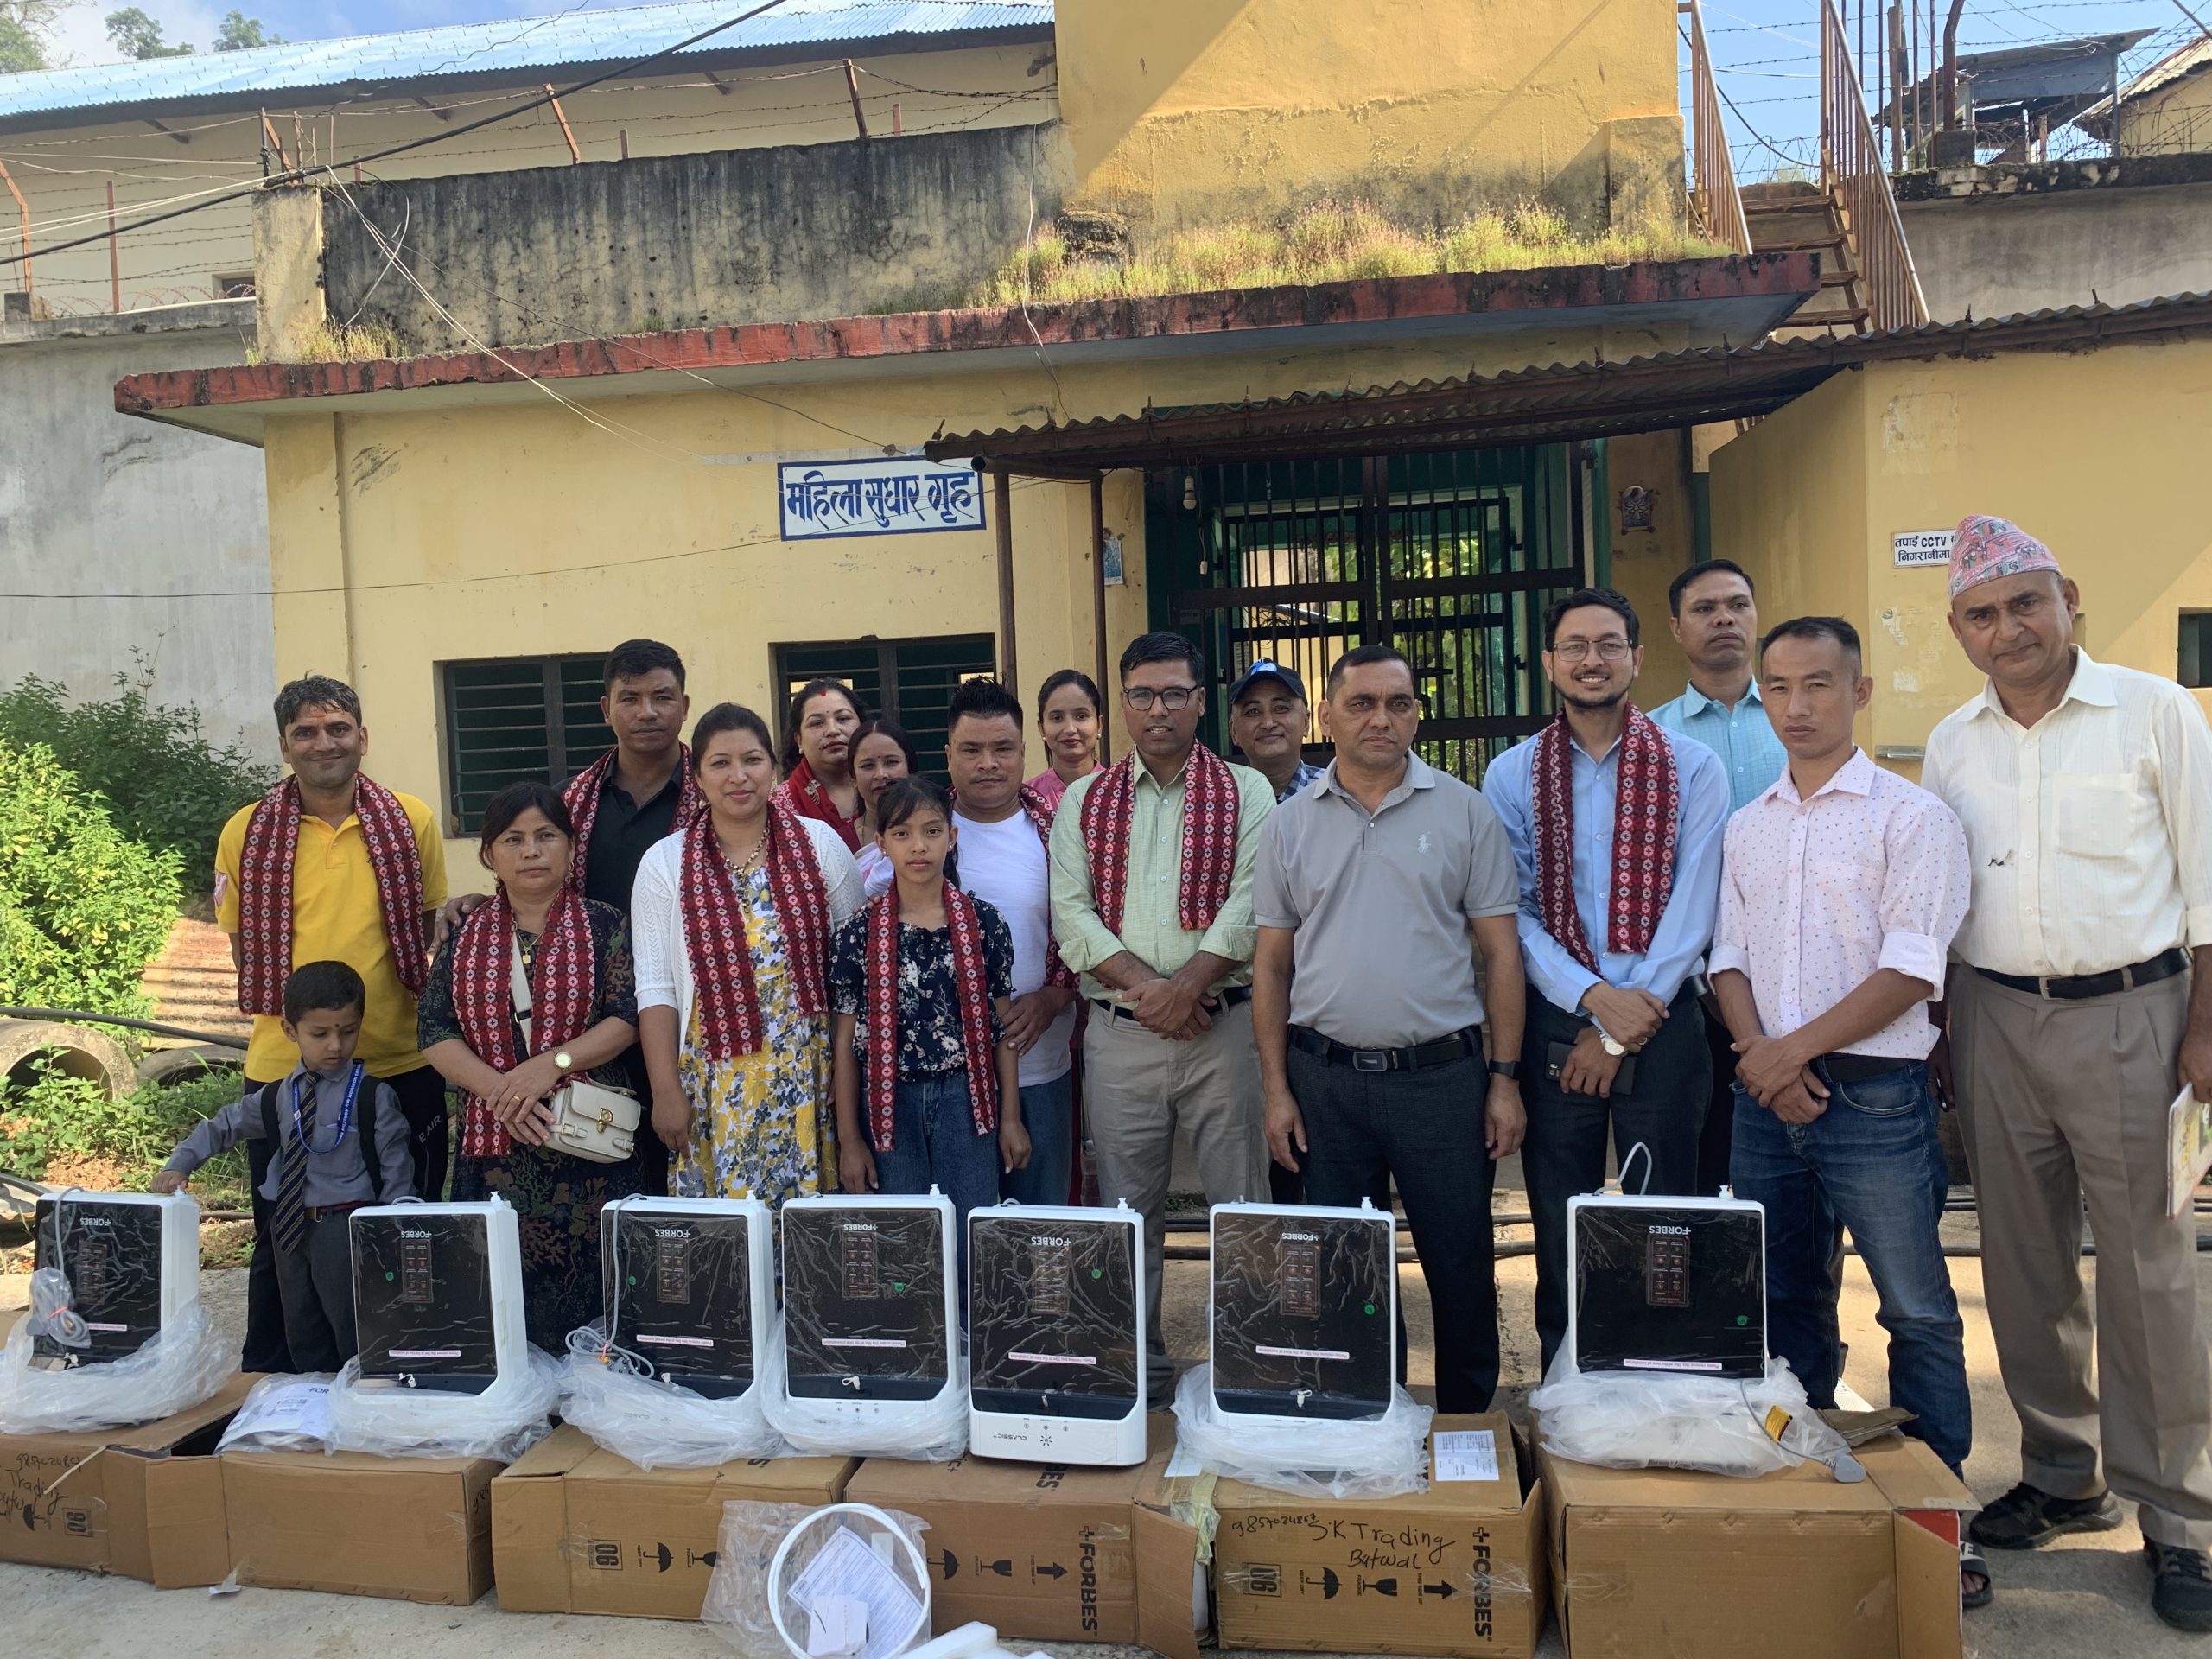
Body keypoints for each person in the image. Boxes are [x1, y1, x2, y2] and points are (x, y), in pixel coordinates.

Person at [1921, 517, 2212, 1631]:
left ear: (2068, 597)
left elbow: (2205, 881)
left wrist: (2204, 1034)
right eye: (1983, 616)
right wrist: (1948, 1030)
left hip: (2139, 1014)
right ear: (1959, 632)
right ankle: (2061, 1473)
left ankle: (2179, 1519)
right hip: (1995, 1016)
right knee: (2024, 1258)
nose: (2010, 631)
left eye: (2025, 604)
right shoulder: (1952, 741)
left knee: (2149, 1268)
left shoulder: (2152, 711)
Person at [1707, 616, 1982, 1605]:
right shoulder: (1750, 823)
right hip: (1766, 1096)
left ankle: (1939, 1514)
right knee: (1780, 1305)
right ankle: (1813, 1491)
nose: (1796, 705)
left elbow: (1912, 967)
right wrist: (1760, 1058)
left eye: (1818, 685)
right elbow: (1726, 957)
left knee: (1913, 1306)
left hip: (1872, 1095)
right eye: (1777, 688)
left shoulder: (1911, 819)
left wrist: (1793, 1051)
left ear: (1858, 694)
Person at [1253, 645, 1527, 1413]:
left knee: (1460, 1262)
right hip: (1325, 1081)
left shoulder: (1464, 811)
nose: (1381, 719)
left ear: (1415, 714)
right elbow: (1271, 965)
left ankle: (1470, 1427)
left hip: (1441, 1081)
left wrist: (1503, 1081)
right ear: (1328, 717)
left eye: (1398, 704)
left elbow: (1501, 954)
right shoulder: (1289, 826)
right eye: (1362, 703)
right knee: (1346, 1272)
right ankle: (1367, 1420)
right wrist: (1277, 1089)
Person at [1482, 588, 1728, 1373]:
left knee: (1666, 1218)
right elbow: (1511, 912)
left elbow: (1698, 905)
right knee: (1561, 1217)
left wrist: (1622, 1026)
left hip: (1665, 1023)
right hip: (1562, 1026)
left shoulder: (1695, 767)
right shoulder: (1512, 774)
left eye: (1609, 645)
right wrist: (1593, 1002)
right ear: (1549, 662)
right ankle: (1567, 1377)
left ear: (1637, 657)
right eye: (1575, 646)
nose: (1593, 661)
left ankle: (1662, 1370)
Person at [1050, 631, 1276, 1400]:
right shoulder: (1085, 800)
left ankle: (1245, 1368)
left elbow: (1252, 903)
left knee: (1239, 1208)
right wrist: (1155, 993)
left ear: (1201, 701)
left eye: (1175, 693)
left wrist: (1188, 988)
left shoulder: (1247, 792)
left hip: (1224, 1034)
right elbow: (1072, 916)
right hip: (1122, 1039)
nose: (1158, 709)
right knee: (1127, 1213)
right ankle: (1135, 1373)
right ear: (1123, 702)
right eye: (1142, 694)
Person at [216, 673, 448, 1374]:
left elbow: (422, 933)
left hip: (396, 1063)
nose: (325, 743)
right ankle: (281, 1383)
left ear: (363, 737)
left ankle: (408, 1365)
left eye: (338, 728)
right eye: (307, 732)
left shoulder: (411, 820)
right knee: (282, 1235)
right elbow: (243, 948)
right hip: (285, 1076)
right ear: (285, 746)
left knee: (403, 1227)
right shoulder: (246, 830)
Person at [438, 638, 702, 1193]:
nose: (647, 712)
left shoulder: (716, 799)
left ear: (685, 704)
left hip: (696, 1027)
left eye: (662, 696)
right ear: (606, 709)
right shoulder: (570, 802)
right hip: (590, 1044)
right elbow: (529, 889)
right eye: (630, 698)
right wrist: (481, 904)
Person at [417, 782, 645, 1352]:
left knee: (602, 1291)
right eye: (513, 839)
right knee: (502, 1293)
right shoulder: (464, 933)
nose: (532, 851)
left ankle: (595, 1401)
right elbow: (434, 1031)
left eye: (546, 836)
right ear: (490, 854)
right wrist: (502, 1092)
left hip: (591, 1150)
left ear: (570, 846)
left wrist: (552, 1065)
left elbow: (627, 1016)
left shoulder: (605, 925)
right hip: (497, 1155)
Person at [634, 703, 865, 1205]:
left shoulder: (821, 845)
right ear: (696, 776)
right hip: (710, 1084)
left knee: (806, 1236)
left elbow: (853, 981)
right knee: (727, 1247)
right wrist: (665, 1090)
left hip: (809, 1079)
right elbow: (656, 987)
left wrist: (849, 1107)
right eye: (720, 763)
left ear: (774, 768)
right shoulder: (664, 863)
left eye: (752, 760)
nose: (738, 776)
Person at [154, 961, 415, 1372]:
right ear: (290, 1031)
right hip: (288, 1228)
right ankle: (311, 1402)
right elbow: (223, 1126)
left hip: (344, 1228)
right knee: (301, 1326)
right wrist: (181, 1162)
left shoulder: (372, 1097)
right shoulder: (277, 1097)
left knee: (354, 1329)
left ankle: (364, 1401)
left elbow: (397, 1170)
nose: (335, 1046)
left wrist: (392, 1233)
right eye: (320, 1033)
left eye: (348, 1031)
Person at [830, 777, 1027, 1267]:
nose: (918, 846)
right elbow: (847, 1044)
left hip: (968, 1100)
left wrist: (1010, 1117)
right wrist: (850, 1139)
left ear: (952, 837)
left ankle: (967, 1337)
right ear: (881, 844)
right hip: (890, 1103)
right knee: (903, 1241)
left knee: (971, 1231)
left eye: (932, 831)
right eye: (902, 834)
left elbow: (1003, 1031)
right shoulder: (858, 933)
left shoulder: (984, 924)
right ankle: (918, 1341)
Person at [1649, 560, 1790, 1198]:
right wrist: (1698, 970)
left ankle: (1791, 1294)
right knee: (1706, 1151)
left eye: (1737, 604)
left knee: (1798, 1148)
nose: (1724, 618)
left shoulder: (1800, 721)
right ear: (1677, 629)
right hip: (1690, 980)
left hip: (1795, 968)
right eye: (1705, 609)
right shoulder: (1651, 738)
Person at [942, 678, 1080, 1205]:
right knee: (961, 1228)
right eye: (972, 750)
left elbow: (1093, 924)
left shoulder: (1062, 830)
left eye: (1002, 748)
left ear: (1024, 751)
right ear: (948, 754)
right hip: (949, 1072)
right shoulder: (921, 830)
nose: (988, 763)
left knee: (1039, 1228)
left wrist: (1054, 996)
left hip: (1039, 1062)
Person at [776, 678, 868, 851]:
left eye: (843, 718)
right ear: (799, 741)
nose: (833, 730)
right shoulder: (779, 806)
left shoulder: (886, 787)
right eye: (817, 723)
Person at [1228, 658, 1326, 803]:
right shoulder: (1219, 802)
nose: (1268, 723)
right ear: (1234, 731)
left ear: (1306, 722)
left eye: (1281, 709)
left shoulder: (1336, 792)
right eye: (1253, 712)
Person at [849, 717, 918, 899]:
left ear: (910, 769)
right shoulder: (837, 842)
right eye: (868, 766)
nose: (881, 774)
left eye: (891, 762)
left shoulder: (933, 833)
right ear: (853, 778)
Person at [1028, 669, 1105, 808]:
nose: (1070, 729)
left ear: (1099, 725)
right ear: (1041, 728)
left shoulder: (1124, 794)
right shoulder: (1026, 800)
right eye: (1057, 718)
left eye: (1081, 716)